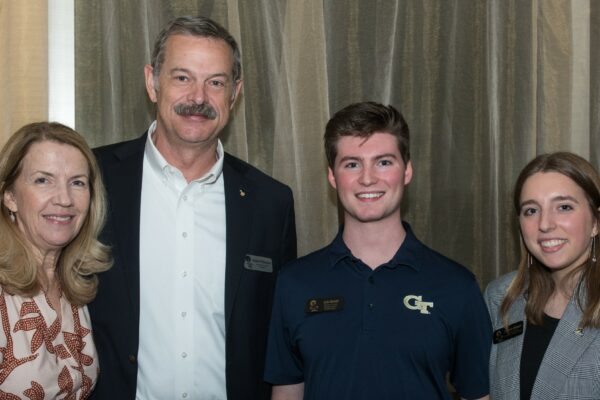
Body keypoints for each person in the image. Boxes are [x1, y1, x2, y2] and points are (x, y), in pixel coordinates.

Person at [88, 15, 297, 400]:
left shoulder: (272, 203)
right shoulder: (91, 180)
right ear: (152, 82)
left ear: (235, 93)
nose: (198, 98)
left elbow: (279, 337)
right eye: (182, 77)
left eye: (215, 82)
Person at [264, 101, 491, 400]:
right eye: (352, 164)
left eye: (383, 162)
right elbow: (288, 390)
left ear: (407, 171)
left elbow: (478, 395)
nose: (368, 178)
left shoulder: (456, 286)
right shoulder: (295, 282)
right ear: (333, 176)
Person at [0, 122, 111, 398]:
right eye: (43, 180)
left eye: (77, 183)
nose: (64, 199)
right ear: (10, 196)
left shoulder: (75, 287)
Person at [485, 152, 600, 399]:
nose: (545, 224)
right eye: (531, 210)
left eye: (564, 207)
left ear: (595, 222)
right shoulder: (501, 297)